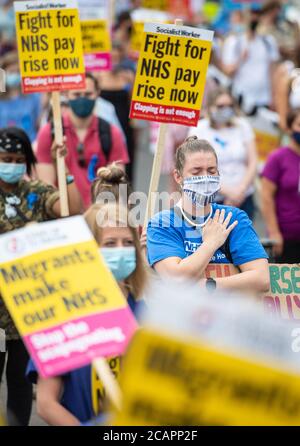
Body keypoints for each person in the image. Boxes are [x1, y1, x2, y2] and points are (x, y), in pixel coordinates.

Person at [27, 202, 147, 426]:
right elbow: (45, 403)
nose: (120, 249)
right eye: (110, 243)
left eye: (128, 243)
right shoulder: (63, 316)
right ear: (88, 250)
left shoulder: (146, 314)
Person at [0, 127, 81, 426]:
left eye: (17, 159)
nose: (11, 164)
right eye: (5, 158)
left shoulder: (36, 192)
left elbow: (71, 209)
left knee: (21, 385)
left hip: (27, 311)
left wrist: (66, 169)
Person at [147, 136, 270, 294]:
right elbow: (176, 278)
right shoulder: (162, 223)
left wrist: (209, 286)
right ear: (178, 177)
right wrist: (211, 243)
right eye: (196, 172)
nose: (205, 177)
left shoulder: (234, 218)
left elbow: (261, 278)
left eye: (211, 171)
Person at [36, 72, 129, 209]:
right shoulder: (49, 133)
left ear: (97, 93)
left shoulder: (112, 133)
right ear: (66, 94)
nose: (82, 99)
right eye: (77, 94)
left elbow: (118, 185)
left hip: (99, 215)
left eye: (88, 94)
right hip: (62, 215)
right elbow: (46, 186)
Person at [188, 88, 258, 220]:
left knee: (242, 239)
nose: (226, 109)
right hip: (211, 200)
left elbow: (253, 161)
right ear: (210, 107)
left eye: (230, 106)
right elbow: (195, 168)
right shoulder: (199, 129)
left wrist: (240, 190)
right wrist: (229, 192)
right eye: (221, 106)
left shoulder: (243, 126)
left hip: (244, 197)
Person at [222, 8, 279, 115]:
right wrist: (240, 59)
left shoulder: (268, 42)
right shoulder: (234, 42)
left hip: (264, 99)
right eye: (251, 15)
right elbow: (227, 72)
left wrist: (274, 96)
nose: (254, 18)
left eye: (257, 15)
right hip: (239, 98)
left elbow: (273, 71)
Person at [261, 108, 300, 263]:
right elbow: (266, 198)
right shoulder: (277, 158)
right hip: (286, 239)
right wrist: (274, 233)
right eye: (299, 124)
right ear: (289, 128)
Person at [0, 52, 41, 142]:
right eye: (11, 72)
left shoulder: (34, 96)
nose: (15, 75)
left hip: (30, 146)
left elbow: (39, 124)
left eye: (18, 72)